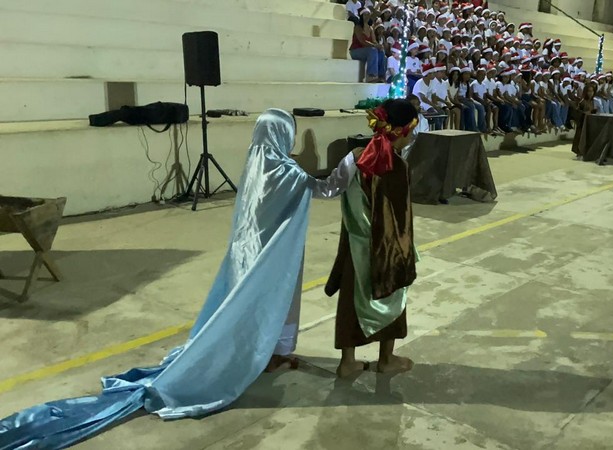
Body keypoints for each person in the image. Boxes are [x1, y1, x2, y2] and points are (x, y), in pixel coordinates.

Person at [0, 109, 361, 448]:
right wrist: (353, 159)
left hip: (243, 255)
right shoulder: (285, 172)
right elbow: (328, 188)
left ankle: (266, 355)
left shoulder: (255, 165)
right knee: (262, 306)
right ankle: (259, 358)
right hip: (267, 260)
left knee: (241, 310)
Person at [325, 99, 419, 378]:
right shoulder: (396, 166)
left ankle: (347, 362)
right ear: (401, 131)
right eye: (412, 129)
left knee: (351, 301)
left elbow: (331, 188)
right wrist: (405, 254)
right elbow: (398, 221)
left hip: (354, 244)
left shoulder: (355, 156)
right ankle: (386, 359)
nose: (413, 135)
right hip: (383, 248)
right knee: (391, 297)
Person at [350, 10, 386, 83]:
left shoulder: (370, 28)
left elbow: (374, 41)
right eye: (365, 15)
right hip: (355, 51)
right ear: (361, 16)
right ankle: (371, 76)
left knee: (381, 52)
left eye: (368, 14)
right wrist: (375, 46)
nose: (367, 16)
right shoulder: (357, 27)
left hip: (366, 51)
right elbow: (362, 41)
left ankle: (381, 76)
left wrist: (379, 46)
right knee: (372, 50)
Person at [572, 84, 598, 159]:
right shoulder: (582, 101)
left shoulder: (593, 101)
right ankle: (579, 153)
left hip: (590, 123)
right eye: (589, 91)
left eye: (592, 91)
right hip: (582, 123)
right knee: (580, 138)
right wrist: (585, 113)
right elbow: (577, 112)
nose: (590, 93)